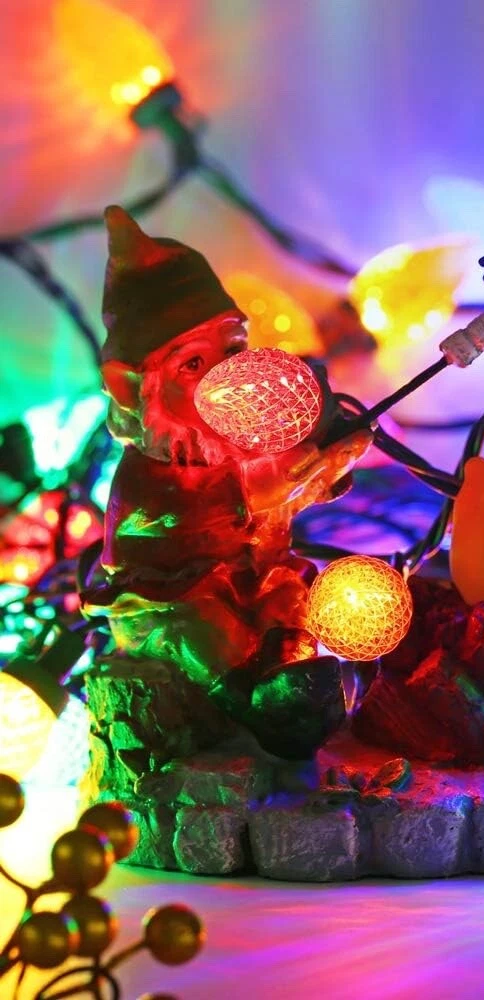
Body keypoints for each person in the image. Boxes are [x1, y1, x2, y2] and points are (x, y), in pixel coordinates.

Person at [82, 207, 372, 756]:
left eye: (233, 350)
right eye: (192, 365)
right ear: (128, 386)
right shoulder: (150, 473)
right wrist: (297, 477)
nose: (224, 378)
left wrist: (333, 458)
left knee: (290, 598)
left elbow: (282, 490)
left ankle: (296, 672)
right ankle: (249, 702)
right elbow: (239, 503)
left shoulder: (247, 438)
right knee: (202, 632)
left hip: (253, 579)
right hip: (171, 602)